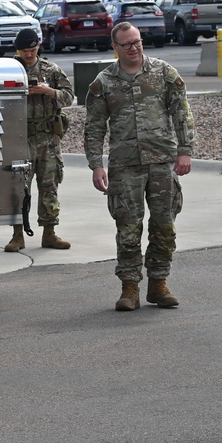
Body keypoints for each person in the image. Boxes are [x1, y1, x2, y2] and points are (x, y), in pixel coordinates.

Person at [84, 22, 195, 311]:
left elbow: (182, 113)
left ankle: (158, 284)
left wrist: (185, 151)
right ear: (115, 48)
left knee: (164, 226)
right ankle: (130, 288)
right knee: (128, 229)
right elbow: (94, 127)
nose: (134, 48)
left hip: (162, 161)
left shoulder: (163, 72)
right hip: (125, 166)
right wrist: (96, 165)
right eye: (127, 44)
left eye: (137, 42)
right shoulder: (103, 82)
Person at [4, 27, 75, 252]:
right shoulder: (10, 69)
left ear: (38, 47)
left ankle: (49, 233)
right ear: (18, 50)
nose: (28, 54)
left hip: (48, 138)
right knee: (18, 188)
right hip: (21, 137)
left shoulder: (51, 70)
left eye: (32, 50)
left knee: (49, 186)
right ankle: (17, 235)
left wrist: (49, 91)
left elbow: (69, 97)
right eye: (24, 51)